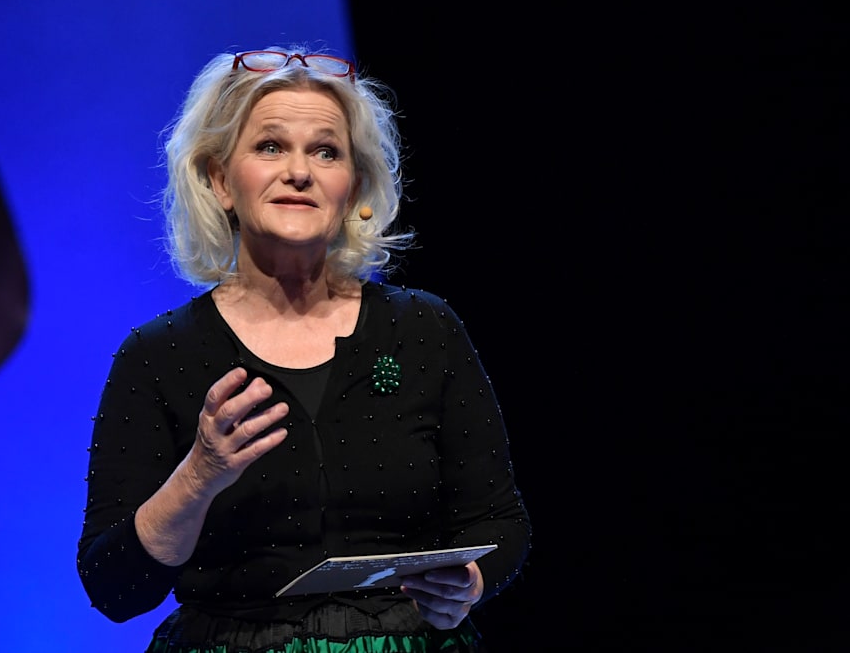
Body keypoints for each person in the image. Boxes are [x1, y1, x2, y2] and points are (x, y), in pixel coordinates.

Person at [77, 45, 530, 652]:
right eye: (270, 147)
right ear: (220, 180)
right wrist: (199, 475)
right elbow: (113, 588)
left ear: (354, 186)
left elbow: (499, 521)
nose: (299, 172)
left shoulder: (425, 327)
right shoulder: (158, 356)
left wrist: (469, 582)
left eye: (326, 151)